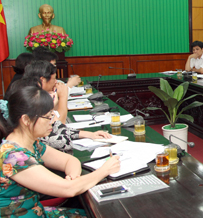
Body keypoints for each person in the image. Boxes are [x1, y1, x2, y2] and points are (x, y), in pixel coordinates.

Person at [0, 86, 120, 217]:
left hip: (36, 211)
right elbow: (68, 189)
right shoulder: (13, 156)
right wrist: (104, 171)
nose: (52, 122)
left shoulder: (32, 143)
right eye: (47, 117)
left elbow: (70, 160)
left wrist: (73, 177)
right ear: (26, 120)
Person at [6, 79, 111, 152]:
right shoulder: (16, 153)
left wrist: (90, 134)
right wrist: (58, 101)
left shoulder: (35, 140)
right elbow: (64, 141)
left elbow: (60, 128)